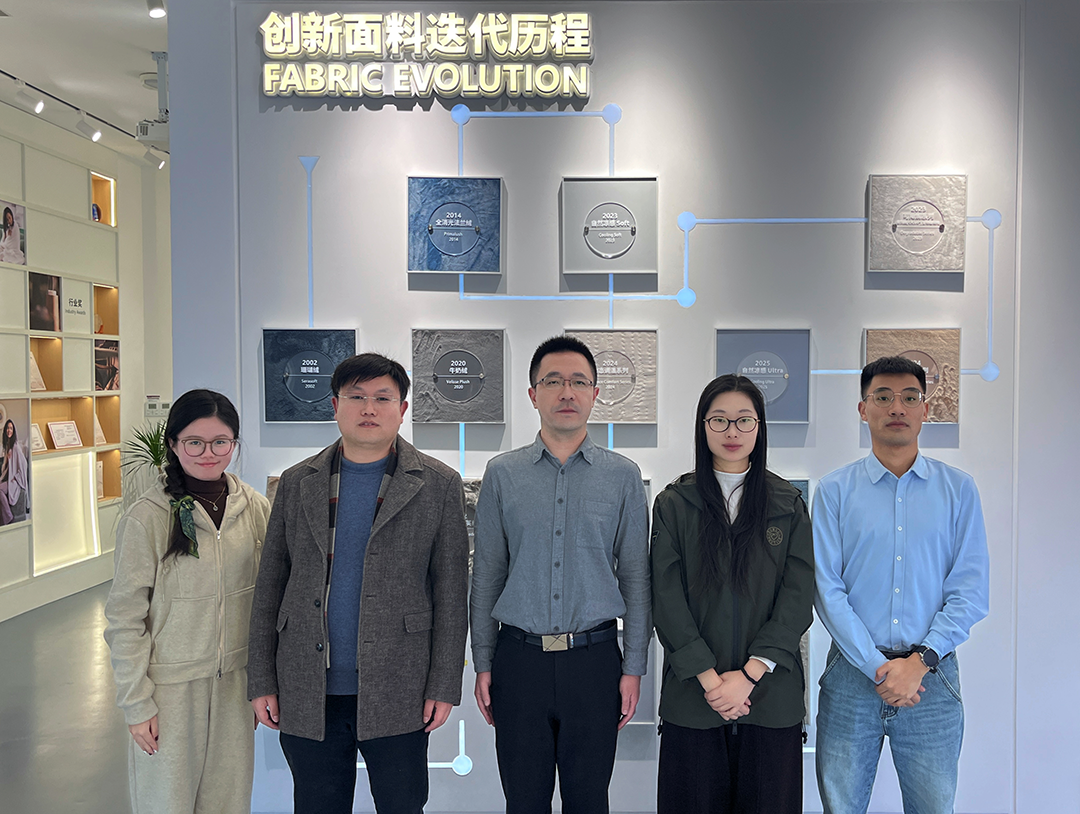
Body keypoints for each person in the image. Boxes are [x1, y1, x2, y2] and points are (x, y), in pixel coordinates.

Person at [247, 353, 469, 814]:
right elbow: (270, 586)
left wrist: (444, 684)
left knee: (402, 804)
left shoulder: (438, 484)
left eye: (383, 398)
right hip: (307, 684)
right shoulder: (297, 482)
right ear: (335, 405)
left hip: (400, 685)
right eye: (356, 397)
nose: (369, 408)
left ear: (402, 409)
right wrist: (262, 678)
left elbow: (451, 594)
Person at [470, 335, 650, 814]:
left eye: (579, 382)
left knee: (588, 801)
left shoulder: (623, 476)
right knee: (523, 802)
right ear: (533, 395)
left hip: (594, 663)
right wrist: (483, 661)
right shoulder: (502, 474)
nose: (566, 392)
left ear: (595, 394)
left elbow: (636, 579)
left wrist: (633, 667)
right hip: (518, 661)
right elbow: (487, 575)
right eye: (553, 382)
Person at [813, 356, 990, 814]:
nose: (897, 407)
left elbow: (970, 591)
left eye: (910, 397)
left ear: (925, 410)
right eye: (883, 397)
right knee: (841, 807)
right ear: (862, 408)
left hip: (932, 678)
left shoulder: (958, 490)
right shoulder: (834, 491)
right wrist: (878, 666)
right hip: (852, 676)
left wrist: (920, 661)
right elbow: (827, 590)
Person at [650, 374, 814, 814]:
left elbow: (798, 596)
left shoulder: (787, 503)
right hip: (694, 699)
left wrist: (750, 675)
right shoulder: (674, 504)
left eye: (744, 420)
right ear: (703, 426)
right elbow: (666, 597)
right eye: (719, 420)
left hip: (770, 699)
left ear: (759, 427)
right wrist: (710, 680)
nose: (732, 431)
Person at [103, 389, 271, 814]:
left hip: (235, 689)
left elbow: (268, 602)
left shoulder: (255, 509)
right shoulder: (147, 516)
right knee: (167, 804)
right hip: (169, 694)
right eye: (194, 442)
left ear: (234, 444)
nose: (208, 453)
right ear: (174, 444)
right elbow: (125, 618)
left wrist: (261, 683)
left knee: (229, 805)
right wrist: (137, 704)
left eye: (220, 442)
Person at [0, 419, 29, 525]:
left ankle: (8, 516)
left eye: (11, 428)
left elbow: (24, 464)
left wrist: (16, 477)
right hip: (8, 478)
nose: (9, 430)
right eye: (8, 428)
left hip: (14, 481)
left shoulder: (15, 447)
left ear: (13, 431)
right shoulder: (8, 447)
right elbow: (7, 468)